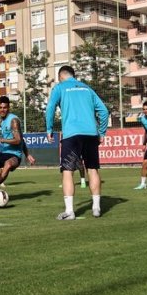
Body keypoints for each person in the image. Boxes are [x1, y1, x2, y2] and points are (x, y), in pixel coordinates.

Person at [46, 65, 109, 220]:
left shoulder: (60, 87)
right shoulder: (87, 88)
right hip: (90, 134)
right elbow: (104, 111)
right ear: (73, 75)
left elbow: (50, 107)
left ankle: (70, 211)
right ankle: (96, 208)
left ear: (61, 76)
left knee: (68, 171)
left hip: (71, 135)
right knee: (92, 169)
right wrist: (101, 132)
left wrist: (49, 129)